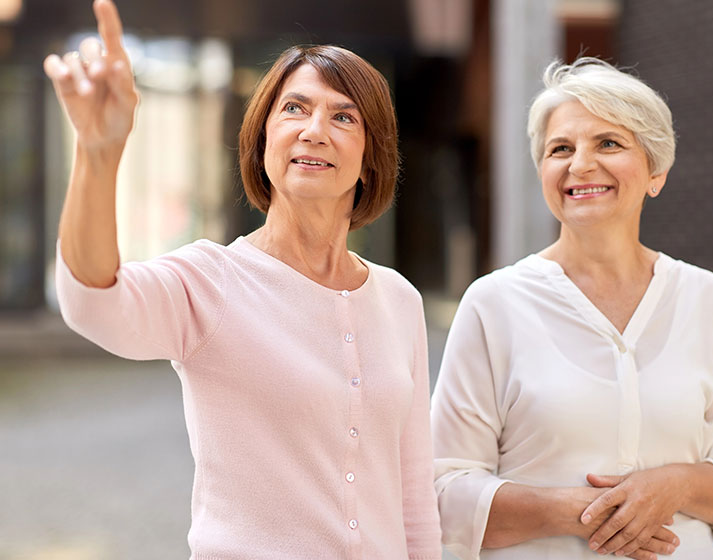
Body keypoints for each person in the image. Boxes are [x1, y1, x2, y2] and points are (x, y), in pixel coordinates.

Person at [43, 1, 442, 558]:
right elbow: (93, 303)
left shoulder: (399, 300)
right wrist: (99, 153)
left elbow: (414, 498)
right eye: (294, 109)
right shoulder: (212, 281)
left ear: (370, 157)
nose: (314, 130)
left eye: (343, 116)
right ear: (261, 141)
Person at [430, 57, 713, 560]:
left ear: (655, 171)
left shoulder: (706, 298)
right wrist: (578, 510)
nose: (581, 164)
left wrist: (675, 485)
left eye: (608, 143)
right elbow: (443, 490)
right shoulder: (494, 303)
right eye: (561, 149)